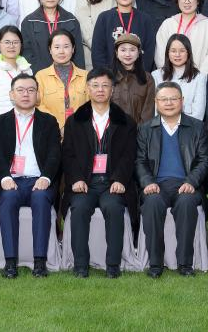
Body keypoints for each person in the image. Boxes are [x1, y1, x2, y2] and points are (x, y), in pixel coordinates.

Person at [63, 68, 138, 278]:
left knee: (113, 207)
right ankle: (80, 266)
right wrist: (76, 179)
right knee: (79, 208)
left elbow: (129, 155)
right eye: (95, 85)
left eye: (105, 85)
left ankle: (113, 266)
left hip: (112, 182)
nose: (100, 90)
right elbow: (68, 155)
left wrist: (120, 179)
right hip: (85, 182)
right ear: (87, 89)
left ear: (112, 90)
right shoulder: (75, 121)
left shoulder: (126, 121)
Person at [136, 81, 208, 277]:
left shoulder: (197, 127)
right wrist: (148, 182)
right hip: (156, 185)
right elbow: (140, 161)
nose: (169, 103)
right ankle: (155, 264)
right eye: (163, 99)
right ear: (156, 102)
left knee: (186, 203)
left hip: (186, 184)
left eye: (173, 99)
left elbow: (204, 160)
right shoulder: (145, 129)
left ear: (182, 100)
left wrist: (191, 181)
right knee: (152, 203)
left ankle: (185, 264)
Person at [0, 73, 61, 278]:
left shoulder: (48, 121)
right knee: (8, 199)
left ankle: (40, 262)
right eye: (20, 90)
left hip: (39, 180)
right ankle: (10, 262)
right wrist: (5, 178)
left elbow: (54, 154)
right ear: (11, 94)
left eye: (31, 90)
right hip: (11, 181)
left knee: (40, 198)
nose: (26, 94)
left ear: (37, 95)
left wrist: (46, 178)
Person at [91, 0, 158, 72]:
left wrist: (139, 75)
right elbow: (98, 53)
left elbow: (149, 53)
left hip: (138, 77)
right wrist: (107, 77)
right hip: (110, 77)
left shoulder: (145, 19)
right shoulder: (104, 18)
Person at [21, 0, 86, 73]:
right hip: (39, 74)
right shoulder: (29, 22)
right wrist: (41, 74)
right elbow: (27, 53)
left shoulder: (71, 20)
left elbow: (78, 53)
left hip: (68, 74)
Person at [155, 0, 208, 72]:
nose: (187, 1)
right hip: (170, 76)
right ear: (178, 1)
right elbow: (160, 54)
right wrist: (170, 74)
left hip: (199, 77)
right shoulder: (168, 24)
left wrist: (200, 77)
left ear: (198, 0)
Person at [33, 30, 89, 129]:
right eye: (57, 47)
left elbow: (91, 105)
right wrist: (57, 126)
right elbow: (38, 105)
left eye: (66, 47)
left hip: (81, 130)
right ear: (50, 50)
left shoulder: (86, 76)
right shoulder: (40, 76)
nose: (61, 51)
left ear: (73, 49)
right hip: (50, 130)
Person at [154, 34, 208, 121]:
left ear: (188, 53)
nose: (177, 54)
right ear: (168, 53)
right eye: (173, 51)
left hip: (190, 127)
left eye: (182, 51)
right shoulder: (156, 76)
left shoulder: (199, 78)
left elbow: (198, 113)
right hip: (162, 127)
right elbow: (155, 110)